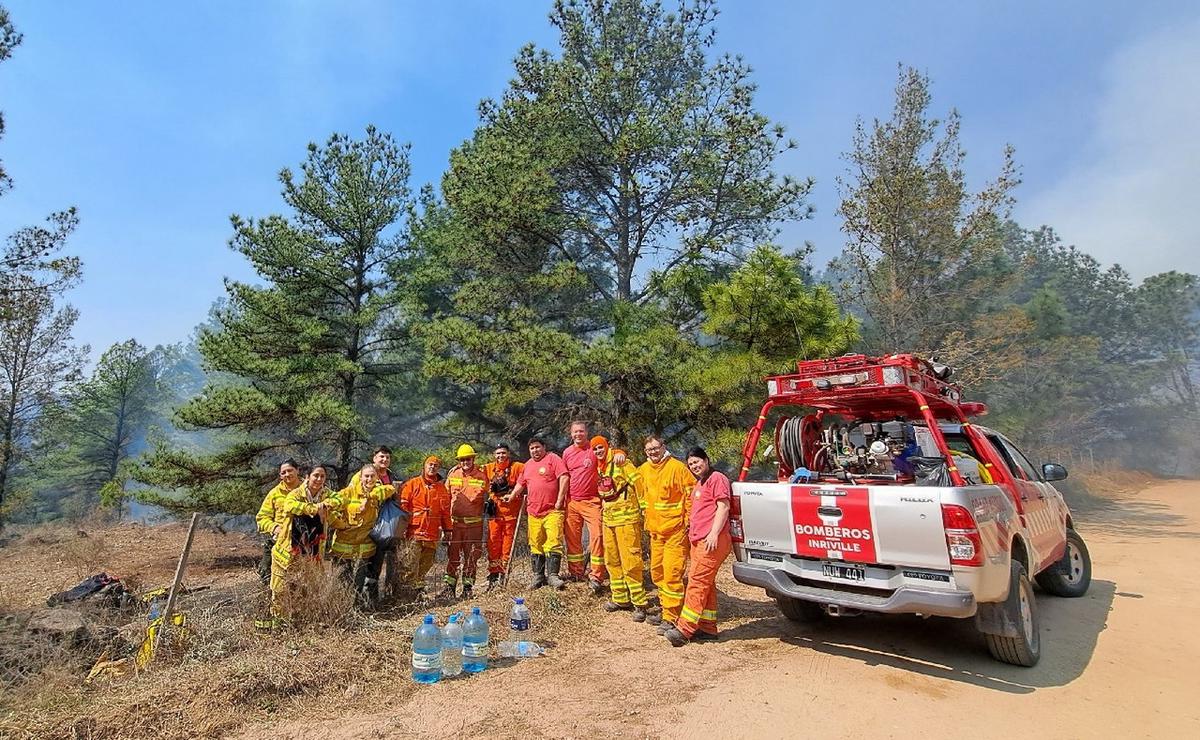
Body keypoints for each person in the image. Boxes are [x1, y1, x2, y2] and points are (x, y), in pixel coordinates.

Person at [664, 447, 732, 647]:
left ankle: (684, 629)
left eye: (697, 461)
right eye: (691, 464)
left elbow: (724, 506)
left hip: (711, 541)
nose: (694, 466)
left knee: (697, 582)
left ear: (706, 459)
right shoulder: (699, 483)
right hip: (698, 540)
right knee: (706, 584)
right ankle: (707, 627)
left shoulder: (717, 478)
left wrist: (713, 533)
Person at [637, 435, 696, 632]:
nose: (653, 452)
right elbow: (628, 479)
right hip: (655, 531)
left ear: (664, 447)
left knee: (672, 573)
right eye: (649, 450)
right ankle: (665, 609)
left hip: (675, 531)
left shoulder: (677, 468)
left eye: (656, 448)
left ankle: (672, 616)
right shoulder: (644, 470)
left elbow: (691, 495)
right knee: (658, 571)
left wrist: (687, 522)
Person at [268, 464, 336, 620]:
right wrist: (274, 528)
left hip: (312, 552)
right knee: (280, 590)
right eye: (315, 475)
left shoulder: (326, 494)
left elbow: (341, 500)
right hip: (287, 551)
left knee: (308, 588)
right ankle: (279, 622)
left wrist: (327, 507)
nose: (318, 479)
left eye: (322, 476)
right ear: (307, 477)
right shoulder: (294, 494)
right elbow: (289, 506)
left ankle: (303, 619)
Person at [592, 435, 648, 621]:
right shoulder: (601, 467)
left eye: (601, 447)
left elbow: (638, 483)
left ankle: (639, 603)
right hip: (608, 520)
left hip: (627, 519)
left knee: (631, 560)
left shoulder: (621, 462)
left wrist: (644, 509)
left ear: (607, 447)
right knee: (612, 560)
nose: (598, 451)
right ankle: (620, 598)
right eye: (595, 449)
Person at [327, 463, 396, 606]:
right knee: (343, 579)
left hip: (364, 545)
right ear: (360, 477)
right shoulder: (348, 492)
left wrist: (370, 496)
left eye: (372, 476)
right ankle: (342, 607)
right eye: (366, 476)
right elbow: (331, 508)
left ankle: (357, 607)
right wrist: (340, 524)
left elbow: (390, 489)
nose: (369, 479)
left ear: (377, 477)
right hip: (344, 543)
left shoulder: (377, 492)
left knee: (359, 579)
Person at [512, 437, 569, 589]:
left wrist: (559, 500)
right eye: (532, 448)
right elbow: (520, 484)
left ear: (544, 447)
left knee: (553, 542)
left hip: (552, 510)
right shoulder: (528, 465)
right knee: (535, 543)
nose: (535, 450)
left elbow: (564, 477)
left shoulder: (553, 459)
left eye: (537, 447)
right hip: (533, 512)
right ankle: (538, 576)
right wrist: (511, 495)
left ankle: (553, 576)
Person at [562, 420, 606, 595]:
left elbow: (608, 454)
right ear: (570, 434)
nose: (578, 434)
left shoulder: (593, 449)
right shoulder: (567, 453)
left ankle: (596, 575)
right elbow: (563, 477)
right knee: (573, 538)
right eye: (575, 432)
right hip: (572, 502)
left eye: (581, 431)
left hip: (592, 501)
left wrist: (620, 454)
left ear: (586, 433)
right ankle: (576, 572)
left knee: (597, 537)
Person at [398, 456, 452, 594]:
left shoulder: (441, 488)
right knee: (409, 566)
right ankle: (406, 596)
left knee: (425, 566)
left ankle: (418, 593)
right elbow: (403, 506)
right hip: (414, 532)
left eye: (436, 465)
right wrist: (403, 527)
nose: (432, 467)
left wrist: (448, 530)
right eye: (430, 464)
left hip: (432, 534)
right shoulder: (412, 484)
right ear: (424, 466)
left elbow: (445, 512)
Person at [442, 444, 489, 600]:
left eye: (468, 459)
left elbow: (491, 495)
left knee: (471, 557)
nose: (465, 462)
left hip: (474, 525)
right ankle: (450, 588)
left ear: (473, 459)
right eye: (462, 459)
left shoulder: (482, 476)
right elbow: (445, 498)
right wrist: (444, 526)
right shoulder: (453, 474)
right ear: (458, 461)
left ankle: (468, 588)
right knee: (453, 556)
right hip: (455, 524)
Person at [483, 443, 525, 589]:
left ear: (508, 454)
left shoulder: (517, 467)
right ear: (494, 455)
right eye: (498, 453)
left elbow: (529, 474)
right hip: (495, 514)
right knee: (493, 544)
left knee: (507, 546)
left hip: (511, 515)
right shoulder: (488, 468)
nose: (501, 456)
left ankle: (503, 574)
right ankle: (493, 574)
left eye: (503, 453)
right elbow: (472, 471)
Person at [255, 459, 303, 584]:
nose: (287, 474)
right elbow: (261, 518)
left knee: (300, 582)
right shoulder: (274, 493)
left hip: (303, 544)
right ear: (280, 475)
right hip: (278, 543)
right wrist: (275, 528)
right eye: (283, 472)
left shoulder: (308, 490)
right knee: (268, 577)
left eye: (290, 470)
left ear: (297, 470)